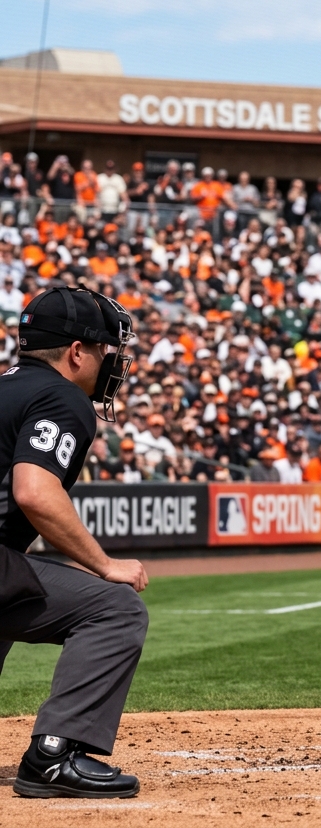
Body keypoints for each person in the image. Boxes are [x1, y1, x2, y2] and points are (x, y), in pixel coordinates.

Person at [0, 287, 145, 798]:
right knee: (116, 609)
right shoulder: (63, 396)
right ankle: (55, 755)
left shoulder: (6, 387)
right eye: (106, 350)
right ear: (77, 352)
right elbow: (35, 492)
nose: (112, 362)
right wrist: (104, 564)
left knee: (12, 590)